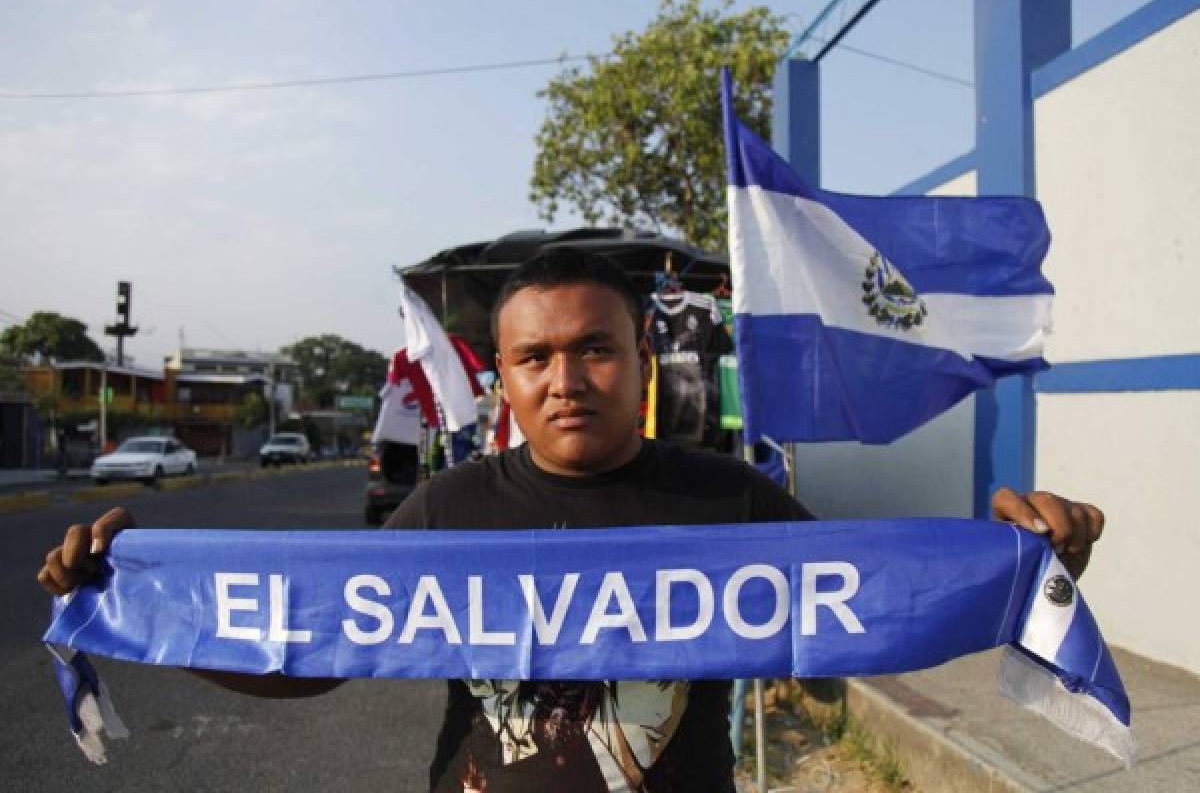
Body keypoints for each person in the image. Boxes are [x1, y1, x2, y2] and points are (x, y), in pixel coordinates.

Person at [38, 247, 1105, 792]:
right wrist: (148, 613)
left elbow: (868, 614)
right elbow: (318, 654)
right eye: (533, 357)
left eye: (593, 347)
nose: (565, 378)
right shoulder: (448, 509)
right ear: (501, 377)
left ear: (641, 354)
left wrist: (1021, 568)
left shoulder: (728, 500)